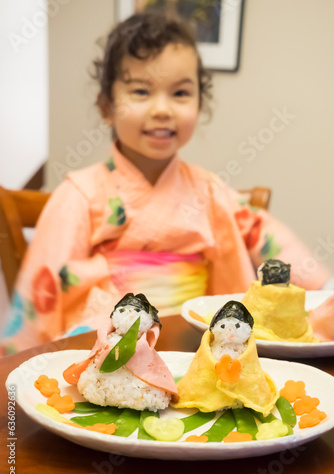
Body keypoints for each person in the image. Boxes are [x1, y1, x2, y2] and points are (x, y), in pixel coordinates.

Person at [1, 13, 330, 355]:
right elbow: (42, 287)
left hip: (197, 341)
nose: (162, 109)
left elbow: (263, 233)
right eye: (141, 91)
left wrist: (323, 285)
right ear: (106, 106)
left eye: (180, 93)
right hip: (112, 341)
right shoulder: (80, 194)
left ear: (199, 104)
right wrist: (16, 368)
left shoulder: (209, 190)